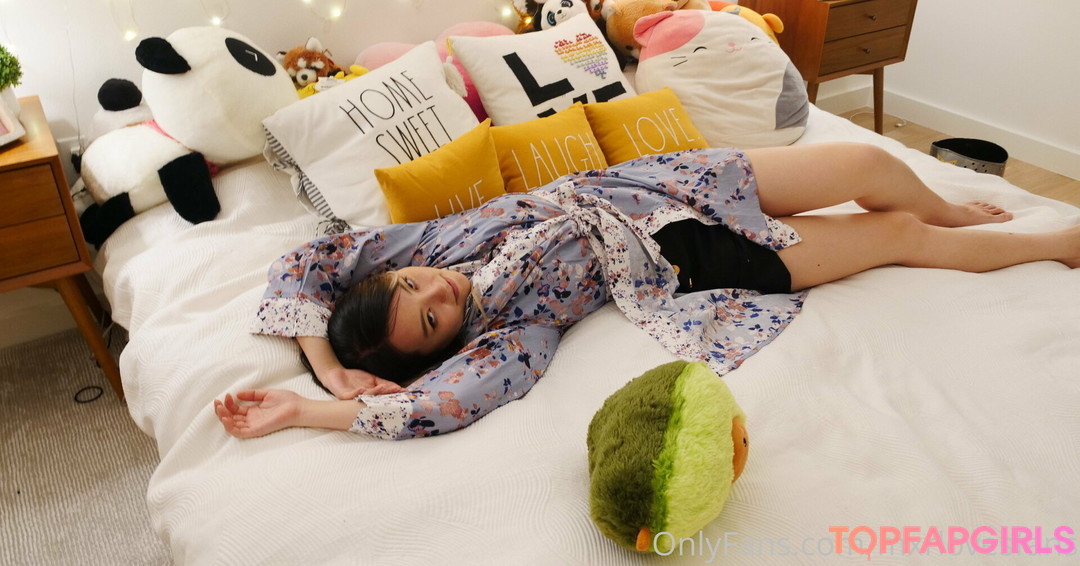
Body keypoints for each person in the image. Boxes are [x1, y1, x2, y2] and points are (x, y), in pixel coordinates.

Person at [214, 144, 1080, 440]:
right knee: (893, 239)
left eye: (411, 285)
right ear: (445, 341)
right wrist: (311, 410)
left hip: (667, 180)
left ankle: (949, 207)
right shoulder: (513, 333)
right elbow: (440, 406)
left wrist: (324, 362)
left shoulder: (418, 243)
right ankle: (1048, 243)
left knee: (865, 165)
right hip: (699, 259)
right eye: (432, 317)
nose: (435, 288)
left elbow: (306, 261)